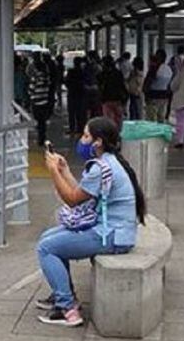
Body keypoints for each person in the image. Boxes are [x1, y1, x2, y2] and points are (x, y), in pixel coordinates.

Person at [36, 117, 147, 327]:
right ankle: (63, 295)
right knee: (48, 237)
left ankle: (67, 309)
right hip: (114, 231)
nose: (82, 140)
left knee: (46, 248)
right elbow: (82, 194)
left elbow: (71, 199)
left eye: (86, 136)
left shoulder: (101, 168)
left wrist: (53, 171)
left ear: (98, 142)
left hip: (112, 236)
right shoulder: (109, 162)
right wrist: (65, 171)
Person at [28, 55, 52, 146]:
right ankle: (42, 137)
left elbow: (31, 90)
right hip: (44, 101)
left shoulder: (35, 77)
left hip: (36, 102)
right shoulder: (47, 77)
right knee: (43, 121)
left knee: (38, 121)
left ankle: (40, 138)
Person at [99, 55, 128, 129]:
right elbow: (122, 86)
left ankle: (111, 132)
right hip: (118, 99)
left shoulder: (102, 74)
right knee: (118, 118)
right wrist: (125, 98)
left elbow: (100, 86)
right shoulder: (118, 73)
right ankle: (117, 132)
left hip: (106, 99)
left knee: (108, 118)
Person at [143, 50, 173, 123]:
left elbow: (148, 82)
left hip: (153, 96)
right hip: (164, 96)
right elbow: (170, 85)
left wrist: (145, 92)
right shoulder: (169, 69)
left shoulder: (155, 68)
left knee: (151, 119)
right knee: (161, 118)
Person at [64, 58, 86, 135]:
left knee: (71, 112)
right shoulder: (83, 72)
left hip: (72, 94)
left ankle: (72, 128)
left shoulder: (71, 71)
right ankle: (80, 128)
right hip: (80, 94)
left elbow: (66, 82)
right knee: (79, 112)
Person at [83, 51, 103, 119]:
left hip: (88, 89)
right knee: (96, 107)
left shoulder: (87, 67)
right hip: (96, 88)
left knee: (89, 107)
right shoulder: (100, 66)